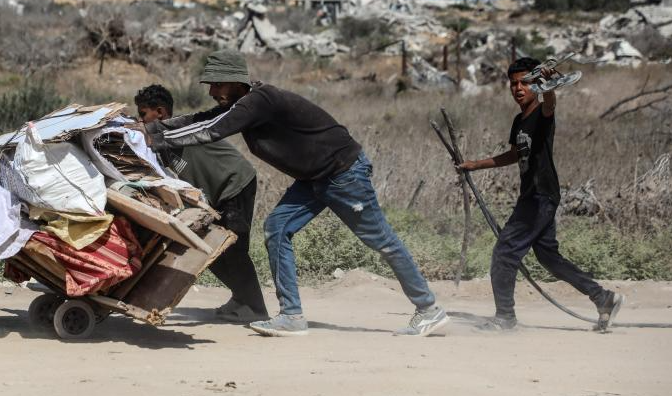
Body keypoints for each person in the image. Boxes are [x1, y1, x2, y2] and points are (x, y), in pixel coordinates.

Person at [137, 50, 448, 337]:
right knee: (277, 228)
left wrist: (156, 140)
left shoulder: (260, 100)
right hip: (315, 178)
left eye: (216, 84)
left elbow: (213, 129)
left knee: (381, 240)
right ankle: (292, 316)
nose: (211, 91)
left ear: (234, 81)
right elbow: (201, 119)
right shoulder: (241, 104)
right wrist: (148, 130)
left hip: (342, 172)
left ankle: (429, 309)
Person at [457, 57, 623, 331]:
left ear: (537, 83)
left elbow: (550, 104)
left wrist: (548, 86)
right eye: (513, 84)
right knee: (548, 258)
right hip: (533, 196)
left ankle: (505, 318)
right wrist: (475, 165)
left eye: (525, 82)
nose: (518, 88)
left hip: (540, 195)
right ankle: (604, 298)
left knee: (505, 253)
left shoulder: (542, 113)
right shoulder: (519, 120)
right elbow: (513, 154)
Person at [134, 84, 268, 322]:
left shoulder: (178, 130)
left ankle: (256, 308)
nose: (140, 119)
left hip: (235, 183)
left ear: (161, 113)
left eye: (143, 114)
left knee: (234, 249)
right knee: (209, 251)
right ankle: (241, 298)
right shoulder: (159, 142)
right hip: (217, 193)